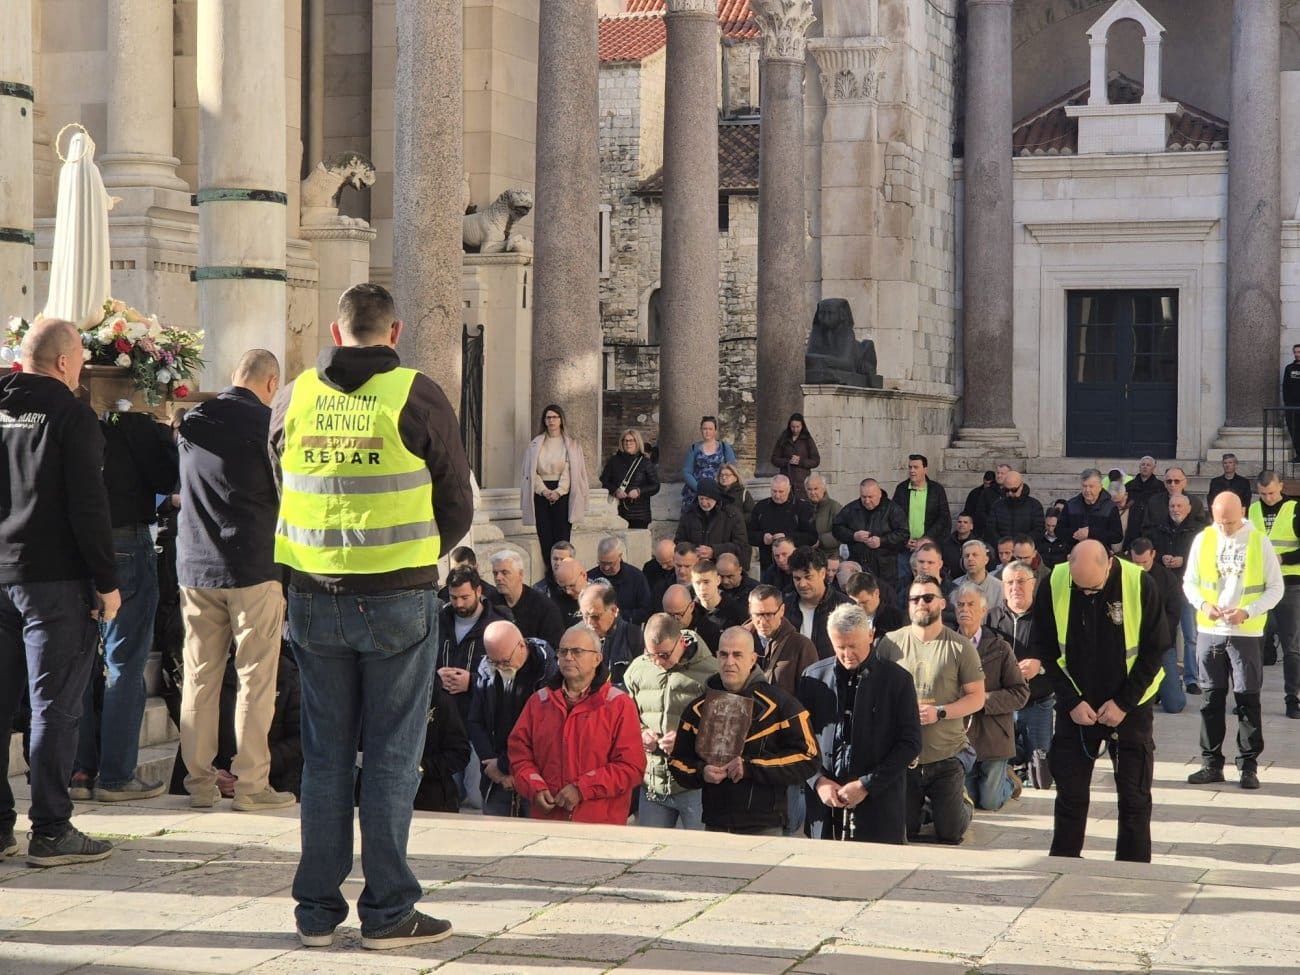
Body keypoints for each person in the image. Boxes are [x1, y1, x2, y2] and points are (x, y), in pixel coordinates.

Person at [272, 282, 473, 949]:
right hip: (396, 596)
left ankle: (316, 912)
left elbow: (283, 480)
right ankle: (388, 912)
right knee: (391, 754)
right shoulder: (417, 394)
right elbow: (457, 500)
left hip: (312, 593)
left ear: (336, 332)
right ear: (395, 332)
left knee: (325, 755)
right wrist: (416, 552)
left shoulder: (294, 394)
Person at [0, 319, 120, 867]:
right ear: (69, 363)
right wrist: (107, 582)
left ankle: (2, 826)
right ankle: (50, 828)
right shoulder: (72, 416)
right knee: (53, 706)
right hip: (52, 579)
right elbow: (88, 508)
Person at [175, 349, 293, 812]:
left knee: (199, 679)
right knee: (255, 680)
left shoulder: (190, 422)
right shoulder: (268, 428)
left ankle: (199, 785)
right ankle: (250, 786)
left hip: (196, 567)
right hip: (253, 568)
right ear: (271, 384)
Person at [1033, 541, 1167, 862]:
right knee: (1070, 793)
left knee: (1134, 797)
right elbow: (1046, 650)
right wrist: (1071, 701)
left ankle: (1133, 868)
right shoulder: (1054, 581)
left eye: (1093, 588)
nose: (1087, 594)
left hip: (1130, 708)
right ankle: (1063, 862)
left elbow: (1155, 650)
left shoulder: (1139, 582)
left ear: (1109, 563)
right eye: (1081, 589)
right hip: (1077, 708)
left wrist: (1123, 704)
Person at [71, 401, 177, 802]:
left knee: (80, 663)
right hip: (127, 539)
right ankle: (116, 775)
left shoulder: (66, 417)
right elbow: (168, 478)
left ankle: (79, 771)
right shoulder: (138, 427)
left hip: (76, 543)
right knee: (125, 662)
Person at [669, 627, 819, 835]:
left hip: (766, 825)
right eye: (723, 654)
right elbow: (677, 762)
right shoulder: (698, 708)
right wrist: (702, 772)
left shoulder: (783, 705)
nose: (729, 662)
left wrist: (750, 767)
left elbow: (809, 757)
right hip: (715, 824)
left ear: (752, 659)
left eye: (737, 654)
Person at [1182, 493, 1283, 790]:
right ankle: (1211, 763)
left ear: (1242, 511)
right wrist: (1204, 605)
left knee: (1247, 700)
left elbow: (1275, 588)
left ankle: (1248, 766)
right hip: (1211, 631)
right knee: (1211, 699)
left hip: (1246, 632)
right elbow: (1189, 581)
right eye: (1220, 521)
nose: (1225, 527)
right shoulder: (1204, 539)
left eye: (1230, 521)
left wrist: (1248, 611)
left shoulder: (1258, 541)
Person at [875, 574, 986, 844]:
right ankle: (927, 808)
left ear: (942, 603)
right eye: (915, 599)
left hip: (946, 756)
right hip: (905, 757)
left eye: (927, 598)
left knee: (950, 833)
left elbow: (977, 698)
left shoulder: (960, 647)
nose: (921, 603)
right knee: (905, 831)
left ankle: (962, 800)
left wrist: (941, 711)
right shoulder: (889, 643)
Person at [798, 605, 921, 843]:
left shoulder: (897, 681)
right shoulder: (813, 678)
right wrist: (818, 781)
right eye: (839, 647)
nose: (847, 654)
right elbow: (800, 741)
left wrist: (866, 785)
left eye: (853, 646)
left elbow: (910, 743)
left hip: (879, 805)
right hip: (825, 807)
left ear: (871, 635)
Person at [507, 623, 646, 824]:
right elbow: (519, 755)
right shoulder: (539, 701)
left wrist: (582, 789)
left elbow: (631, 767)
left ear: (597, 659)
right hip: (548, 821)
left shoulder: (619, 705)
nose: (568, 657)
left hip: (600, 825)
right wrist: (535, 787)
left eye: (577, 651)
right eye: (563, 651)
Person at [624, 614, 717, 829]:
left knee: (701, 854)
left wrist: (686, 741)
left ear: (682, 642)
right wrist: (641, 733)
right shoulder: (638, 669)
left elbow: (721, 729)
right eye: (651, 654)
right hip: (653, 782)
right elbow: (626, 717)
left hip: (695, 783)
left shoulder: (712, 672)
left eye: (664, 655)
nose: (658, 662)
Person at [468, 621, 557, 817]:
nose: (500, 667)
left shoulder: (546, 671)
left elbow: (543, 731)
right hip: (494, 773)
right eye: (494, 661)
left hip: (534, 774)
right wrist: (491, 765)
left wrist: (504, 765)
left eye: (505, 661)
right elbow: (475, 721)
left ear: (522, 645)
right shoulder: (487, 668)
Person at [952, 585, 1028, 811]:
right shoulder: (945, 645)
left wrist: (983, 698)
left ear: (983, 610)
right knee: (970, 799)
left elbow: (1020, 692)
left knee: (990, 801)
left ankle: (1008, 779)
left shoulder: (1000, 647)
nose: (965, 609)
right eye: (961, 605)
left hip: (994, 733)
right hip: (960, 735)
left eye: (971, 604)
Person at [985, 561, 1053, 786]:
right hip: (1002, 706)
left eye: (1021, 581)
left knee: (1040, 780)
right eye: (1010, 582)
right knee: (1000, 768)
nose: (1015, 587)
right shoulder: (991, 618)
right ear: (1003, 587)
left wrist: (1040, 665)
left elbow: (1065, 655)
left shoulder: (1048, 617)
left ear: (1033, 584)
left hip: (1037, 702)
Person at [1250, 471, 1300, 718]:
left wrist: (1281, 558)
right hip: (1259, 586)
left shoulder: (1294, 509)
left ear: (1281, 486)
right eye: (1263, 493)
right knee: (1255, 644)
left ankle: (1293, 698)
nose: (1268, 498)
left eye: (1271, 492)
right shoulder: (1251, 511)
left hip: (1290, 584)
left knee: (1291, 646)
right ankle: (1250, 698)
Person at [521, 404, 589, 563]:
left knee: (562, 540)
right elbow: (531, 472)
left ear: (561, 420)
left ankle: (564, 575)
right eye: (548, 417)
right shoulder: (535, 444)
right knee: (545, 538)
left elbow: (570, 469)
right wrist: (544, 491)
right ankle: (550, 578)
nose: (551, 421)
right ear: (544, 420)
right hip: (541, 493)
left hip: (563, 494)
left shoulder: (571, 444)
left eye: (554, 417)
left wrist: (559, 491)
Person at [1128, 538, 1187, 715]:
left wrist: (1155, 640)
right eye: (1135, 562)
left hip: (1159, 644)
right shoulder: (1125, 575)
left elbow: (1172, 616)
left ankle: (1172, 685)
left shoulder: (1168, 580)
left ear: (1153, 554)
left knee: (1174, 705)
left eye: (1144, 562)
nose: (1139, 567)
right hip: (1131, 644)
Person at [1152, 493, 1203, 695]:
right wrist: (1160, 559)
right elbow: (1151, 556)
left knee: (1191, 636)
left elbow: (1202, 558)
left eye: (1179, 505)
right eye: (1172, 505)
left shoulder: (1198, 531)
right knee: (1165, 636)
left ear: (1188, 508)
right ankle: (1167, 679)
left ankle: (1191, 679)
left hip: (1188, 588)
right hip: (1164, 590)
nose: (1175, 509)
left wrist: (1184, 561)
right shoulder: (1159, 529)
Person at [833, 478, 909, 591]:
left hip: (885, 568)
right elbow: (836, 528)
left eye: (870, 497)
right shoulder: (852, 508)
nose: (867, 501)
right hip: (858, 564)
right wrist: (853, 536)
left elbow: (904, 533)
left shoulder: (892, 509)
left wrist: (882, 541)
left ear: (879, 494)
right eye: (863, 497)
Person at [746, 584, 818, 696]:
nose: (763, 621)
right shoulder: (736, 642)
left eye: (769, 614)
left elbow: (811, 695)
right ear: (750, 610)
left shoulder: (801, 646)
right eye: (757, 614)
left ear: (782, 610)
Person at [785, 546, 851, 661]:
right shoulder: (785, 606)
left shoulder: (846, 607)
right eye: (797, 578)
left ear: (823, 573)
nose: (802, 584)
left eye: (808, 577)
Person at [490, 549, 565, 650]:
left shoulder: (544, 607)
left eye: (505, 572)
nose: (498, 578)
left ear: (520, 574)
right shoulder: (489, 603)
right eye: (495, 573)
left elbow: (553, 648)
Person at [578, 580, 642, 688]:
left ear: (613, 610)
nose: (589, 622)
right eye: (584, 616)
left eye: (595, 616)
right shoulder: (576, 638)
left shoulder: (634, 636)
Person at [675, 477, 751, 568]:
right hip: (695, 566)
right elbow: (679, 541)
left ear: (715, 497)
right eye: (701, 498)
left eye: (707, 499)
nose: (704, 502)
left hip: (723, 567)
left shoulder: (733, 515)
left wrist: (714, 551)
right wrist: (694, 551)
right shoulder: (689, 514)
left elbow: (741, 545)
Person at [748, 475, 816, 572]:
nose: (777, 495)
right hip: (768, 562)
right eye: (774, 491)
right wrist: (762, 537)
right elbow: (749, 534)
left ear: (788, 490)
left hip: (795, 563)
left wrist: (787, 538)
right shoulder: (761, 507)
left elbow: (812, 537)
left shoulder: (803, 507)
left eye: (781, 492)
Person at [599, 428, 659, 530]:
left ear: (637, 442)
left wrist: (639, 491)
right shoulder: (613, 461)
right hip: (618, 512)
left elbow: (656, 486)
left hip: (640, 514)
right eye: (625, 440)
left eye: (632, 440)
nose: (628, 443)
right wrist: (615, 490)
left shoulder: (645, 462)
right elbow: (603, 481)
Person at [590, 535, 653, 624]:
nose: (606, 568)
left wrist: (617, 616)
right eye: (602, 563)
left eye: (610, 563)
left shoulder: (636, 577)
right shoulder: (591, 577)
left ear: (620, 557)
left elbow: (646, 610)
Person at [1057, 468, 1123, 553]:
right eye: (1084, 486)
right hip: (1075, 554)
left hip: (1099, 555)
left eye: (1091, 486)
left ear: (1100, 487)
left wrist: (1091, 533)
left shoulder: (1110, 507)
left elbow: (1117, 536)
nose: (1087, 490)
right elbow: (1059, 531)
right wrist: (1076, 533)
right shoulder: (1071, 505)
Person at [681, 415, 736, 512]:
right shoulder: (694, 448)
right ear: (701, 430)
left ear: (715, 430)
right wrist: (699, 488)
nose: (707, 431)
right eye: (704, 429)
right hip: (696, 491)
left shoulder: (724, 447)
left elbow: (732, 469)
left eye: (710, 429)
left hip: (718, 490)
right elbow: (687, 471)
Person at [985, 471, 1044, 550]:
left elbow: (1038, 530)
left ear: (1021, 486)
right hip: (1002, 552)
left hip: (1025, 551)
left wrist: (1020, 545)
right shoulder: (997, 506)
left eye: (1014, 490)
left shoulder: (1034, 505)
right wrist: (1004, 546)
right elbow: (991, 530)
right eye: (1006, 490)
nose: (1010, 493)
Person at [770, 412, 820, 501]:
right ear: (789, 426)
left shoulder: (807, 439)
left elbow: (816, 460)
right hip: (786, 479)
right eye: (793, 427)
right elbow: (774, 459)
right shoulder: (783, 438)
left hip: (802, 482)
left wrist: (800, 461)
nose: (795, 429)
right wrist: (787, 461)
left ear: (802, 426)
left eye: (798, 427)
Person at [662, 583, 721, 655]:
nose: (674, 620)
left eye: (679, 614)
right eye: (669, 615)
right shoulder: (661, 625)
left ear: (691, 607)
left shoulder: (709, 631)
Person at [690, 559, 748, 630]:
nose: (702, 588)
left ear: (718, 580)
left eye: (706, 582)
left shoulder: (736, 612)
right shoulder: (689, 611)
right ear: (692, 583)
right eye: (697, 583)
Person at [952, 539, 1002, 611]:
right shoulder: (955, 586)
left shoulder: (1000, 588)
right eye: (966, 556)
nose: (970, 558)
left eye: (975, 555)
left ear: (986, 560)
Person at [1125, 456, 1167, 536]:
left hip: (1152, 525)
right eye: (1143, 464)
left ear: (1153, 468)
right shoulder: (1129, 485)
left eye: (1148, 465)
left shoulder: (1160, 486)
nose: (1145, 467)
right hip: (1132, 526)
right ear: (1139, 467)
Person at [805, 474, 843, 559]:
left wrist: (820, 541)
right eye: (809, 489)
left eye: (816, 489)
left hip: (829, 558)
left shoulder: (835, 507)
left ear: (824, 488)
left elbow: (841, 534)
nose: (812, 493)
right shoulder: (802, 507)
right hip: (807, 557)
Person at [549, 558, 587, 625]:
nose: (568, 592)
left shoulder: (600, 596)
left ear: (583, 575)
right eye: (563, 587)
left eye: (572, 585)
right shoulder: (555, 603)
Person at [941, 512, 977, 579]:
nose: (962, 524)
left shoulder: (976, 544)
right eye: (959, 522)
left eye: (965, 522)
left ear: (971, 526)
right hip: (950, 582)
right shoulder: (946, 543)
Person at [964, 470, 1000, 536]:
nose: (987, 486)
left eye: (989, 484)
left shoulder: (997, 493)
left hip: (991, 527)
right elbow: (968, 510)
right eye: (985, 483)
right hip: (976, 527)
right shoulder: (974, 493)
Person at [1283, 344, 1300, 461]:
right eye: (1295, 352)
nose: (1297, 354)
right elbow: (1285, 387)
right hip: (1291, 407)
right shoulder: (1289, 368)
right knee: (1294, 431)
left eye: (1299, 352)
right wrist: (1287, 404)